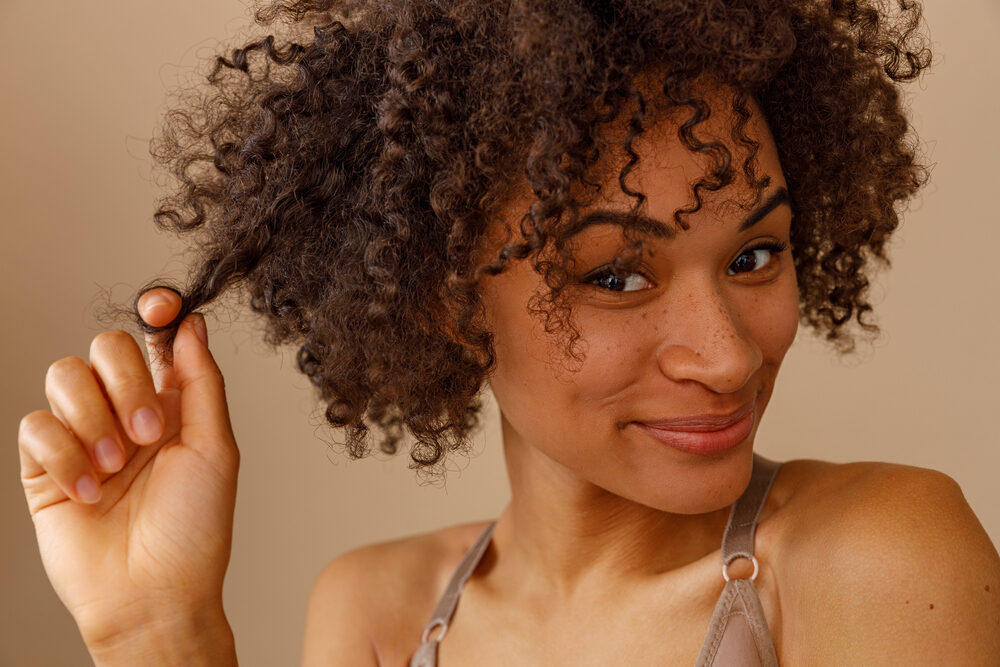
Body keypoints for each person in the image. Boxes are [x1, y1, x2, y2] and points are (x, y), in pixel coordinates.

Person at [16, 0, 1000, 664]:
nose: (730, 355)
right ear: (446, 301)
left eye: (753, 257)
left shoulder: (874, 555)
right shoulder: (376, 615)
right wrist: (161, 627)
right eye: (617, 274)